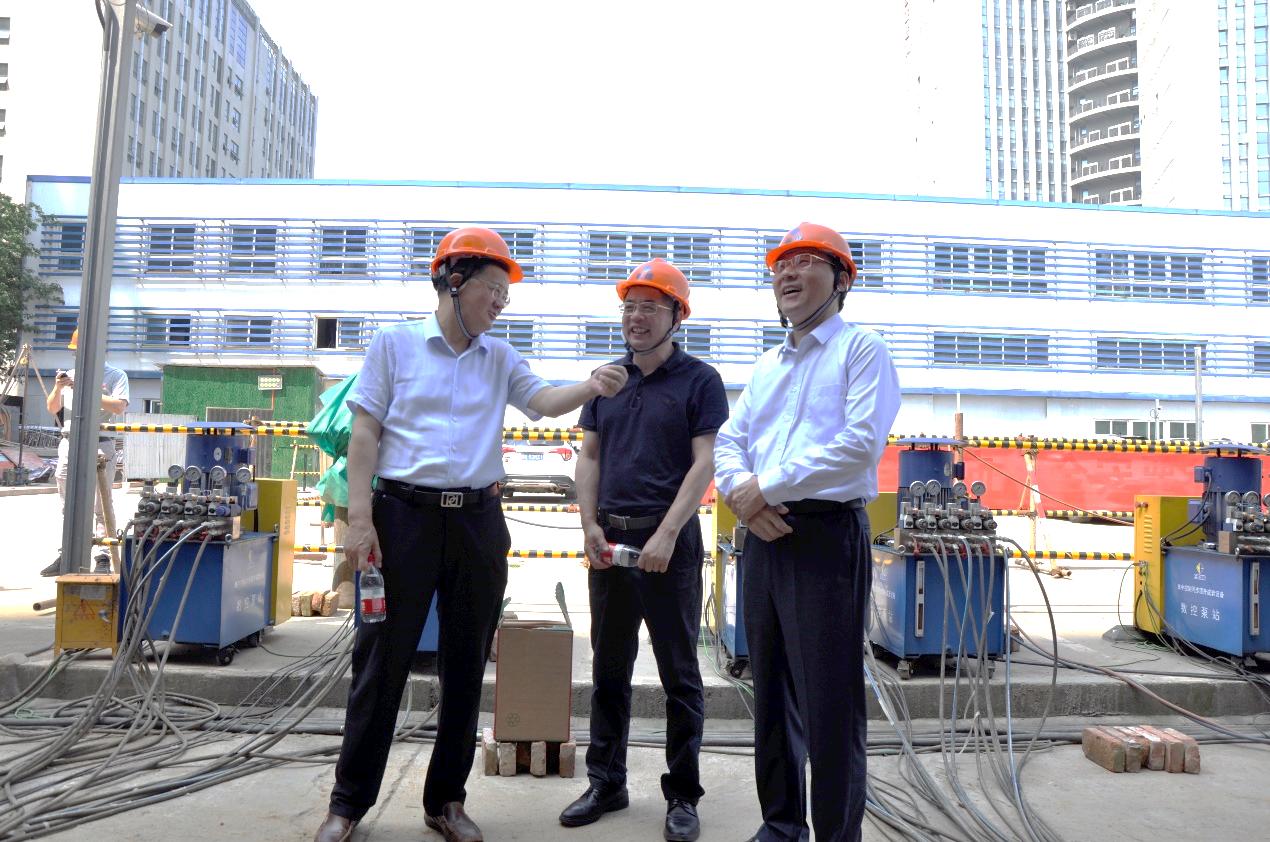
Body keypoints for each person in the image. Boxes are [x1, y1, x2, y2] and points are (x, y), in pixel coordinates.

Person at [313, 228, 629, 842]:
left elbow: (543, 400)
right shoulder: (395, 345)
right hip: (402, 519)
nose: (501, 304)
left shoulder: (500, 357)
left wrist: (591, 385)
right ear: (454, 282)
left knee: (464, 667)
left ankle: (446, 801)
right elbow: (365, 434)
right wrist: (361, 518)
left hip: (477, 524)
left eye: (506, 296)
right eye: (494, 291)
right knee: (381, 664)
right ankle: (347, 804)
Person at [714, 223, 900, 842]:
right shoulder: (767, 366)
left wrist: (766, 487)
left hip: (825, 538)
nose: (787, 274)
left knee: (830, 702)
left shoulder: (861, 350)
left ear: (842, 280)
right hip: (762, 537)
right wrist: (746, 498)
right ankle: (782, 824)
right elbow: (729, 442)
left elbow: (858, 446)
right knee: (770, 692)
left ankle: (836, 835)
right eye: (779, 266)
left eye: (805, 263)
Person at [559, 259, 727, 842]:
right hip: (610, 543)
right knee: (609, 669)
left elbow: (705, 461)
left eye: (650, 307)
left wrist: (668, 533)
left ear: (677, 316)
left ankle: (682, 794)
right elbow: (590, 456)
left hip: (668, 545)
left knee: (680, 674)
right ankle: (607, 782)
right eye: (629, 307)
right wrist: (588, 525)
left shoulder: (699, 381)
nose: (636, 317)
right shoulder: (607, 380)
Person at [41, 328, 130, 576]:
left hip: (100, 442)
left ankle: (102, 556)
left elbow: (119, 407)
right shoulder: (70, 376)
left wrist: (86, 390)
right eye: (75, 352)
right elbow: (53, 408)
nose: (77, 356)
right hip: (70, 442)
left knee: (101, 503)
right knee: (67, 504)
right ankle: (67, 553)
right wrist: (58, 387)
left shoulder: (115, 375)